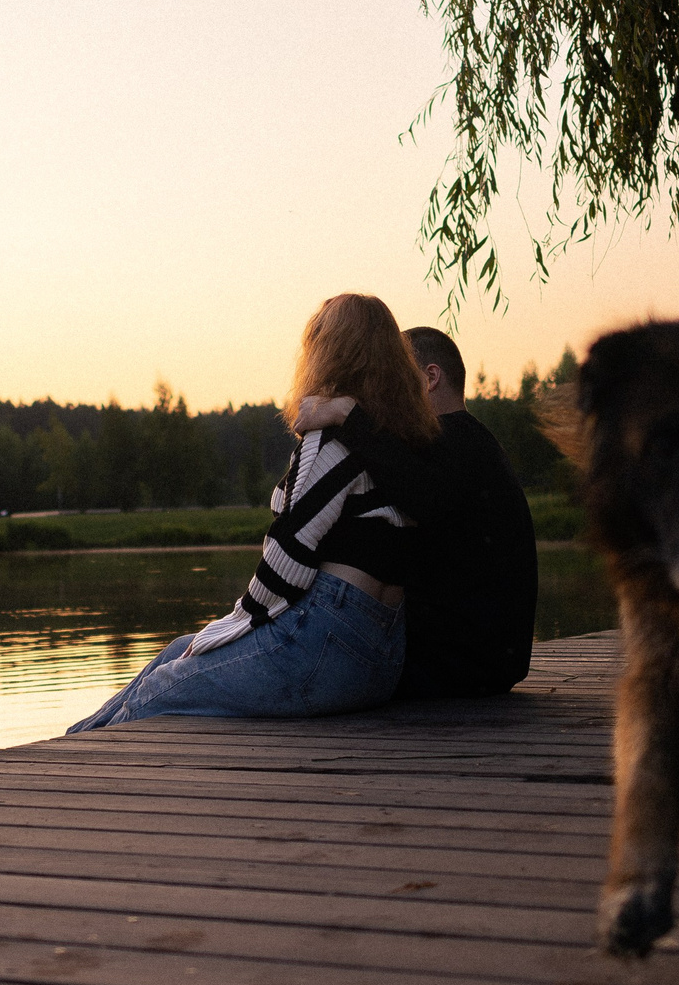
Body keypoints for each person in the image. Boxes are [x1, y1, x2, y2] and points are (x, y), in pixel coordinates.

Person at [66, 293, 438, 733]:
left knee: (157, 692)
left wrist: (229, 626)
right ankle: (68, 741)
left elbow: (288, 558)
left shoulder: (331, 442)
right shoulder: (405, 443)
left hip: (325, 648)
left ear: (325, 353)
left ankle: (60, 761)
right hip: (381, 657)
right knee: (173, 653)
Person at [392, 326, 538, 698]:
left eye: (395, 379)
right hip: (493, 663)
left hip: (457, 668)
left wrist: (348, 418)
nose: (387, 394)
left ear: (430, 378)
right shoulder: (475, 443)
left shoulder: (443, 444)